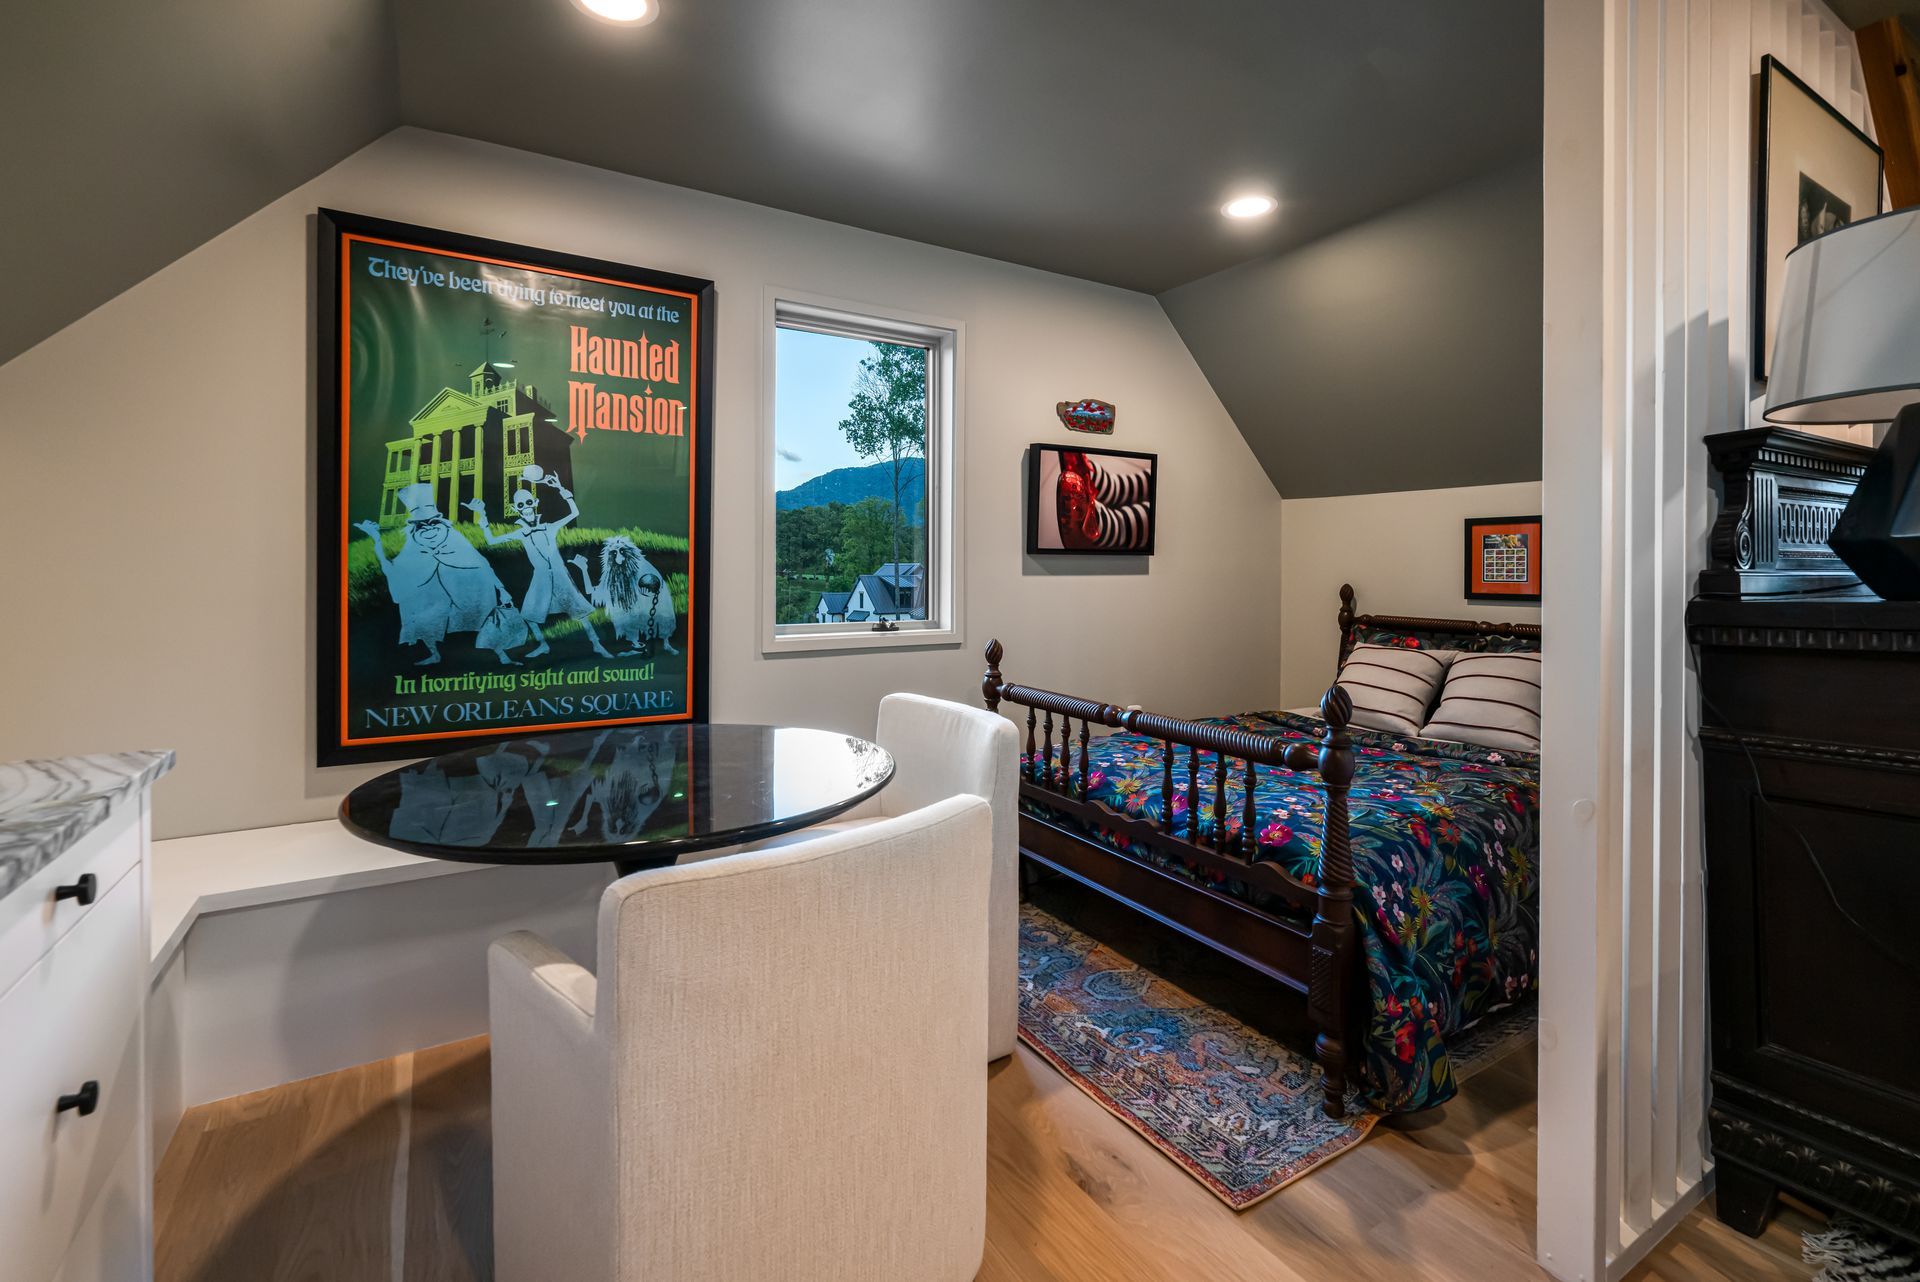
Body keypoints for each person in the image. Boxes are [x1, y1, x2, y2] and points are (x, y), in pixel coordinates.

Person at [356, 483, 524, 665]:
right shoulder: (414, 546)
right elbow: (393, 568)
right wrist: (376, 538)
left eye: (434, 523)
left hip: (466, 591)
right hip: (434, 595)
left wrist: (501, 589)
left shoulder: (454, 538)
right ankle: (434, 654)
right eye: (422, 526)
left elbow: (481, 563)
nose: (429, 529)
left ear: (442, 523)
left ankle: (502, 655)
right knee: (420, 614)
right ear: (415, 529)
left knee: (485, 617)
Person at [466, 472, 612, 660]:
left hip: (561, 575)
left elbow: (574, 513)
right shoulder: (520, 533)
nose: (525, 508)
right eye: (520, 505)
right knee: (529, 613)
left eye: (528, 503)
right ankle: (543, 645)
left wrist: (560, 488)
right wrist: (483, 516)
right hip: (541, 577)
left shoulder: (549, 527)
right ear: (515, 509)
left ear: (534, 504)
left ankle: (597, 644)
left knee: (579, 610)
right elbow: (492, 540)